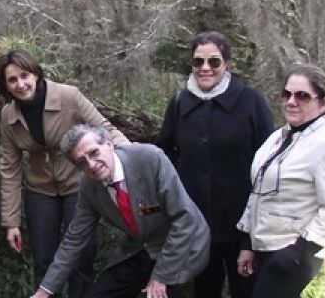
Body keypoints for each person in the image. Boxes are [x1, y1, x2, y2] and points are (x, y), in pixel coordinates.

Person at [0, 50, 129, 297]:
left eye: (24, 75)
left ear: (35, 73)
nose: (21, 84)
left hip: (78, 186)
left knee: (81, 259)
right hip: (40, 190)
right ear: (5, 85)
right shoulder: (8, 116)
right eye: (12, 80)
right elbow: (10, 168)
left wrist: (135, 159)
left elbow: (105, 129)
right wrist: (11, 221)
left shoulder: (68, 96)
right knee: (44, 260)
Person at [154, 31, 274, 298]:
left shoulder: (250, 101)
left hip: (241, 223)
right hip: (196, 223)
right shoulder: (180, 102)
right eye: (198, 62)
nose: (205, 69)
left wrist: (255, 227)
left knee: (246, 290)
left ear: (227, 64)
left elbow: (270, 161)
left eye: (214, 62)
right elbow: (165, 151)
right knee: (205, 290)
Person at [30, 124, 211, 298]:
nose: (91, 165)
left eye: (94, 153)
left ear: (109, 144)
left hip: (183, 244)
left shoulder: (149, 158)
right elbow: (74, 240)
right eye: (82, 162)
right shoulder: (88, 186)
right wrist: (45, 290)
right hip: (142, 248)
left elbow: (184, 219)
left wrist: (161, 277)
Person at [236, 63, 325, 298]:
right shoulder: (278, 137)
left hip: (293, 252)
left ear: (323, 103)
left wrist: (299, 253)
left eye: (302, 96)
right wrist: (246, 244)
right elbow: (258, 191)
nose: (291, 101)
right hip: (264, 245)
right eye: (286, 94)